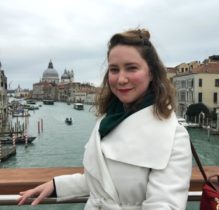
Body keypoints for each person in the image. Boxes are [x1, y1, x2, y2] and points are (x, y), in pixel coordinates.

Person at [18, 28, 192, 210]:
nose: (121, 79)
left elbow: (164, 205)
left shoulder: (174, 137)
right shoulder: (107, 120)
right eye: (114, 70)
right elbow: (102, 181)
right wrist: (57, 185)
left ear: (152, 73)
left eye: (132, 68)